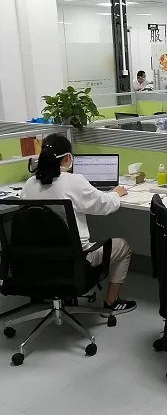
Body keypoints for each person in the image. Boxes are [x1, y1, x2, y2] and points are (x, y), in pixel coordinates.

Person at [21, 134, 136, 314]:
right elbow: (105, 205)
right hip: (75, 260)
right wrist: (116, 193)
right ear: (67, 158)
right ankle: (111, 303)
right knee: (124, 246)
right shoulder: (74, 181)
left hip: (37, 261)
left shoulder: (29, 184)